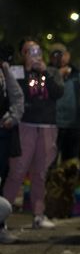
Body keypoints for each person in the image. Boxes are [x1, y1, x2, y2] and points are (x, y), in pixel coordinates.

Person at [3, 39, 64, 229]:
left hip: (46, 126)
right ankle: (2, 215)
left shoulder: (51, 71)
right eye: (29, 51)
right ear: (22, 54)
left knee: (40, 172)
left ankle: (39, 213)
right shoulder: (16, 71)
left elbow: (56, 93)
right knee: (17, 171)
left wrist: (43, 72)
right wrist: (29, 71)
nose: (34, 54)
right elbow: (20, 94)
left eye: (36, 50)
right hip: (25, 125)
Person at [49, 43, 80, 163]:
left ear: (68, 55)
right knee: (50, 160)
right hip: (54, 124)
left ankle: (69, 182)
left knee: (70, 162)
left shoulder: (76, 73)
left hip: (73, 124)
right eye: (55, 55)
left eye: (61, 54)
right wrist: (58, 75)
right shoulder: (47, 73)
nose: (59, 58)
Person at [0, 57, 24, 192]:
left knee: (3, 170)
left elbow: (17, 95)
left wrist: (13, 117)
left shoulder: (4, 70)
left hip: (2, 130)